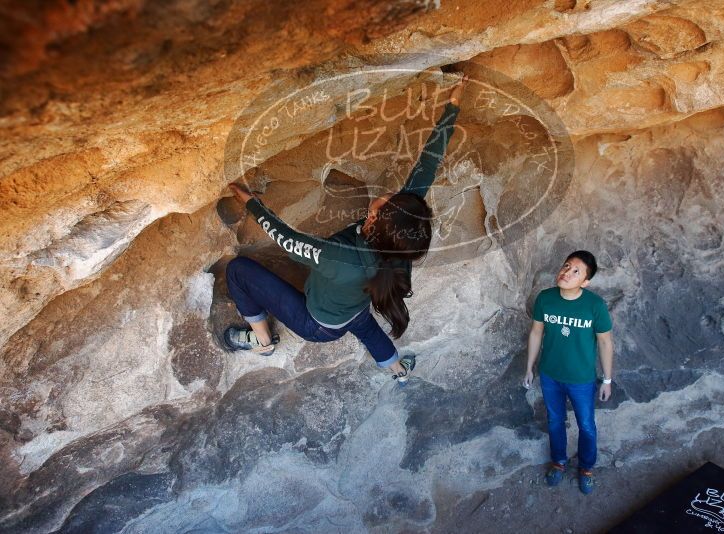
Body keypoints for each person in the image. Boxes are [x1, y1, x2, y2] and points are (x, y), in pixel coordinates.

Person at [223, 75, 466, 383]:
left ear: (376, 218)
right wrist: (453, 106)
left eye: (387, 200)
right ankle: (398, 371)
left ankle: (262, 342)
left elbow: (288, 240)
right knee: (366, 328)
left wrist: (252, 204)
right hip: (355, 307)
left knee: (238, 271)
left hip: (318, 323)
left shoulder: (343, 257)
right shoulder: (399, 238)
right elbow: (428, 164)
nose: (390, 194)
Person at [522, 250, 614, 494]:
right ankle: (559, 462)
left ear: (585, 281)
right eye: (566, 266)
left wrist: (606, 380)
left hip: (581, 380)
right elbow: (536, 333)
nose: (567, 273)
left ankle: (586, 467)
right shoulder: (545, 298)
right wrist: (530, 367)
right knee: (554, 421)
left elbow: (605, 343)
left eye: (576, 271)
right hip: (551, 375)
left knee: (586, 425)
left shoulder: (595, 306)